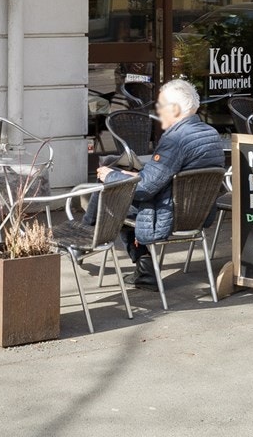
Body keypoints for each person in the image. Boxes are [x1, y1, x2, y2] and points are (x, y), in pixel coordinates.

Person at [95, 77, 224, 287]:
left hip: (166, 214)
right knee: (118, 178)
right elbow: (170, 175)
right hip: (196, 213)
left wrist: (111, 176)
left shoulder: (175, 139)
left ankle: (141, 267)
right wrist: (130, 175)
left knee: (111, 197)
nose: (158, 111)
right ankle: (142, 268)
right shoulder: (210, 133)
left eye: (160, 106)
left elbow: (145, 189)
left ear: (174, 109)